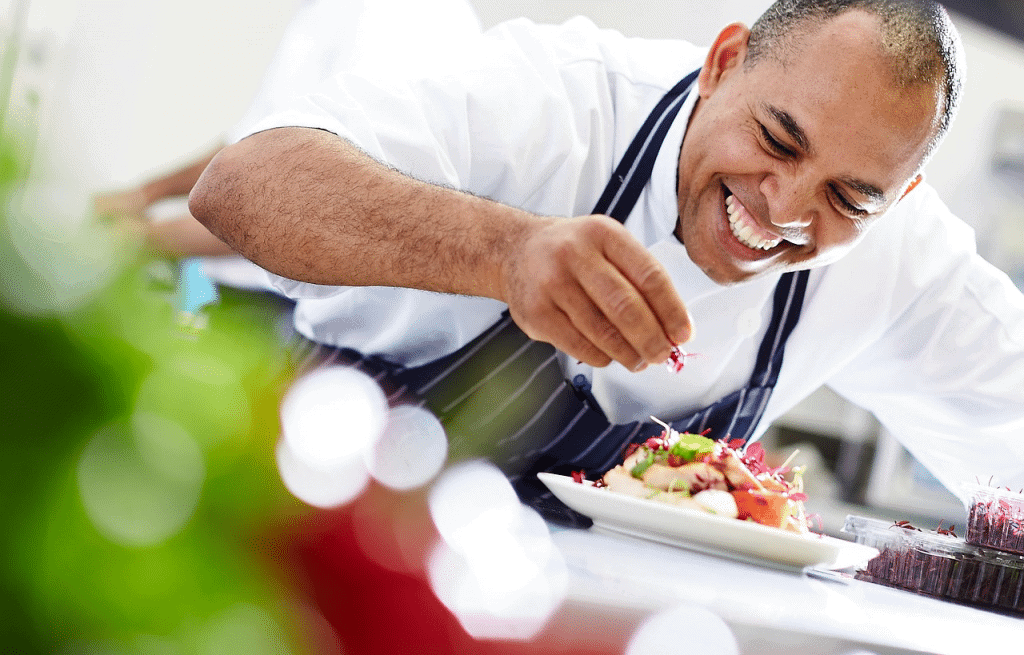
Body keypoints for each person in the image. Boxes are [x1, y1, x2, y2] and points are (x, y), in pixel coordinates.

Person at [188, 0, 1024, 524]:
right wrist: (504, 252)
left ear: (902, 197)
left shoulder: (902, 259)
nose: (785, 209)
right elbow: (242, 184)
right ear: (723, 63)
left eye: (850, 198)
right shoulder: (561, 97)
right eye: (776, 139)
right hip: (302, 522)